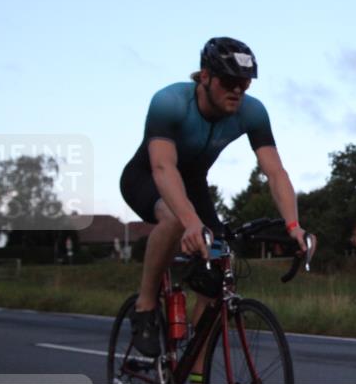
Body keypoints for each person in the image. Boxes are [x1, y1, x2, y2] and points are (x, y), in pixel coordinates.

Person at [120, 37, 314, 358]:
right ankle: (144, 306)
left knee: (221, 273)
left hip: (194, 185)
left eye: (245, 83)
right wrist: (191, 222)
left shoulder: (252, 112)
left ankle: (193, 374)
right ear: (205, 76)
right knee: (172, 219)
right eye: (229, 81)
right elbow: (163, 166)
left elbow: (276, 173)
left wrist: (294, 226)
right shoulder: (169, 102)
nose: (237, 90)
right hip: (147, 178)